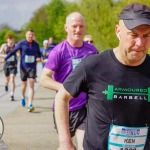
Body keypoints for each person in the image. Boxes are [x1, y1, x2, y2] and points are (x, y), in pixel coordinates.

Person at [54, 3, 150, 150]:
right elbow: (62, 97)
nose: (140, 43)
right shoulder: (93, 65)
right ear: (118, 31)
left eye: (147, 36)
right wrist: (65, 141)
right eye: (134, 35)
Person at [40, 12, 98, 150]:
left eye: (81, 26)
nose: (78, 30)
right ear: (66, 27)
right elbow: (44, 79)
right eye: (74, 26)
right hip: (63, 108)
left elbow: (98, 78)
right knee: (66, 147)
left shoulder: (92, 51)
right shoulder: (58, 51)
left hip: (84, 109)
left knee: (85, 146)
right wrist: (67, 89)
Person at [1, 29, 41, 112]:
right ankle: (22, 97)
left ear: (33, 36)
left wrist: (39, 57)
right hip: (23, 67)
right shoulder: (21, 43)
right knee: (24, 85)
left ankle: (30, 104)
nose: (30, 36)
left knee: (31, 84)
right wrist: (5, 59)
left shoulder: (36, 44)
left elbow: (39, 53)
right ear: (26, 35)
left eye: (32, 34)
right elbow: (12, 52)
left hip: (32, 67)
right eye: (29, 34)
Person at [0, 35, 18, 101]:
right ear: (7, 40)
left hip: (13, 65)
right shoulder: (4, 46)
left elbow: (19, 54)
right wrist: (6, 56)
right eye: (9, 40)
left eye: (12, 40)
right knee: (7, 79)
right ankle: (6, 84)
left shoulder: (15, 46)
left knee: (12, 79)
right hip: (6, 65)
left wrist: (18, 55)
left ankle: (12, 94)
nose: (11, 41)